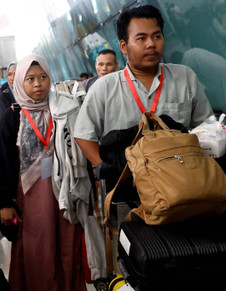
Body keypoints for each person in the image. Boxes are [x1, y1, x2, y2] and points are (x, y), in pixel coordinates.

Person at [0, 54, 94, 291]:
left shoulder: (62, 108)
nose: (37, 84)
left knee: (67, 252)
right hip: (29, 197)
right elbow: (4, 160)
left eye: (42, 77)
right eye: (30, 78)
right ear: (20, 82)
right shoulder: (14, 113)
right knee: (39, 255)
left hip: (64, 192)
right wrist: (4, 202)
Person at [73, 4, 212, 178]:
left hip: (182, 180)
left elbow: (206, 126)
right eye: (141, 38)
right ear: (123, 46)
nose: (151, 44)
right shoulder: (104, 88)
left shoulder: (184, 77)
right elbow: (83, 134)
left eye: (157, 36)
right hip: (131, 187)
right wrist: (106, 168)